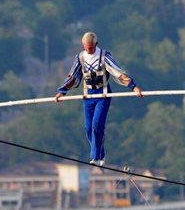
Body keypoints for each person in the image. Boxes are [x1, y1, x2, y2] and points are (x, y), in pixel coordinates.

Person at [55, 32, 142, 167]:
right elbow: (73, 76)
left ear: (96, 44)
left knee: (97, 125)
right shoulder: (80, 57)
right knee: (88, 128)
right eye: (86, 47)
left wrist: (133, 86)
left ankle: (95, 157)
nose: (89, 50)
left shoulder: (104, 56)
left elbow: (117, 72)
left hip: (103, 95)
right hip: (88, 95)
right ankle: (100, 154)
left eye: (91, 47)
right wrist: (62, 92)